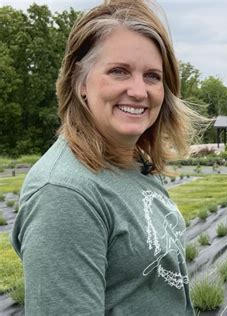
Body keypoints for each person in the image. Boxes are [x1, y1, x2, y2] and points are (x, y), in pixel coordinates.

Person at [11, 0, 198, 314]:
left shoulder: (132, 163)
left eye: (152, 76)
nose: (139, 91)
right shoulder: (64, 193)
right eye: (119, 71)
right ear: (80, 82)